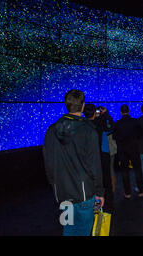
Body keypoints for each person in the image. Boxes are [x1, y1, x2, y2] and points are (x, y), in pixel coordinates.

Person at [43, 90, 104, 236]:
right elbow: (95, 165)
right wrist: (100, 192)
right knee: (83, 230)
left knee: (69, 229)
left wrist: (55, 185)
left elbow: (48, 164)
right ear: (82, 105)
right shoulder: (88, 131)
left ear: (66, 105)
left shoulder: (51, 130)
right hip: (84, 194)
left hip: (63, 194)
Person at [83, 104, 114, 214]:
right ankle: (107, 206)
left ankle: (93, 207)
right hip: (102, 155)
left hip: (88, 157)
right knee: (105, 180)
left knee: (92, 182)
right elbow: (111, 128)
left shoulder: (82, 125)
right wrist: (106, 114)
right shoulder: (100, 122)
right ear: (95, 113)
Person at [114, 104, 143, 199]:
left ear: (121, 112)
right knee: (137, 170)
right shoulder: (135, 122)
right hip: (134, 149)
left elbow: (115, 137)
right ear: (129, 111)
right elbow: (140, 134)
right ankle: (141, 190)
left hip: (122, 150)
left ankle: (127, 193)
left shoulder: (118, 123)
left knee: (124, 172)